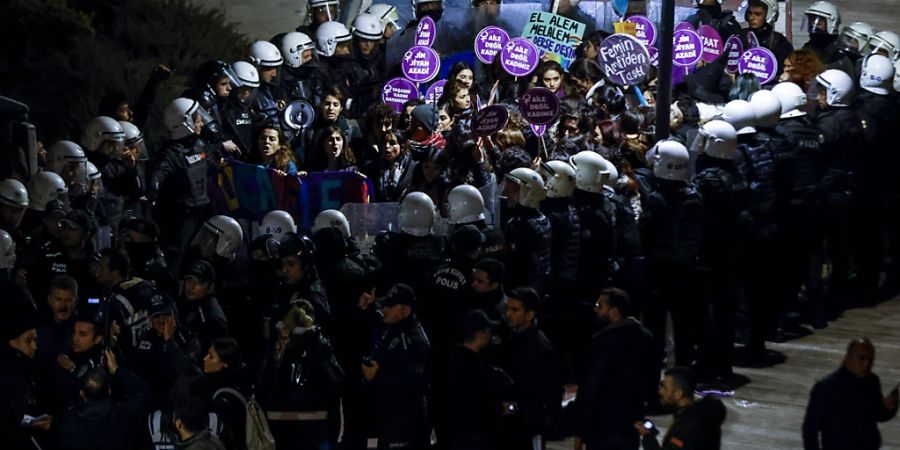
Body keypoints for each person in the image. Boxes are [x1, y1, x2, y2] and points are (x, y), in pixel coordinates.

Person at [575, 288, 655, 450]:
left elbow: (592, 389)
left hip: (603, 429)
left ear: (614, 312)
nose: (595, 309)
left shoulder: (603, 342)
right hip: (631, 427)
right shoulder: (646, 337)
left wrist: (582, 431)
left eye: (599, 306)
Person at [358, 283, 431, 449]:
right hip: (389, 415)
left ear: (406, 310)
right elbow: (378, 318)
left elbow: (415, 383)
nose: (384, 309)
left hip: (406, 421)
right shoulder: (394, 325)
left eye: (389, 306)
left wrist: (376, 376)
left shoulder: (415, 341)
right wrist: (370, 307)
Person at [494, 286, 561, 450]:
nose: (508, 314)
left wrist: (514, 408)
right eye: (507, 308)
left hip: (527, 427)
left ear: (529, 314)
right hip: (510, 423)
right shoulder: (510, 336)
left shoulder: (538, 348)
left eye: (514, 310)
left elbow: (542, 395)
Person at [802, 338, 899, 450]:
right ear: (847, 358)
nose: (867, 363)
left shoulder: (872, 381)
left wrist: (889, 406)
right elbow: (810, 430)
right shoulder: (825, 388)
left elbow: (879, 415)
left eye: (871, 359)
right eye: (862, 358)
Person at [438, 309, 511, 450]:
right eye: (488, 331)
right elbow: (477, 403)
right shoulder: (474, 367)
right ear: (480, 334)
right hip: (471, 436)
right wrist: (502, 408)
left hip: (450, 433)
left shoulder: (449, 359)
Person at [55, 353, 150, 450]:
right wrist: (116, 370)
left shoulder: (68, 424)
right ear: (109, 391)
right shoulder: (125, 414)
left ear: (82, 393)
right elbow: (143, 390)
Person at [635, 367, 726, 450]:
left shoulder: (685, 429)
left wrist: (647, 437)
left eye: (664, 387)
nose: (660, 391)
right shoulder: (698, 415)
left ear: (678, 394)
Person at [501, 167, 552, 293]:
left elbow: (517, 267)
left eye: (512, 188)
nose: (506, 192)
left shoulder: (522, 226)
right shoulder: (542, 219)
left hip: (521, 290)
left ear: (527, 192)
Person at [177, 260, 228, 352]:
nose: (191, 286)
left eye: (199, 282)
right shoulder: (184, 301)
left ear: (211, 287)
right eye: (189, 280)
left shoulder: (214, 319)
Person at [738, 0, 792, 78]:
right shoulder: (740, 36)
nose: (751, 18)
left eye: (757, 14)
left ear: (769, 15)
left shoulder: (779, 42)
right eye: (749, 13)